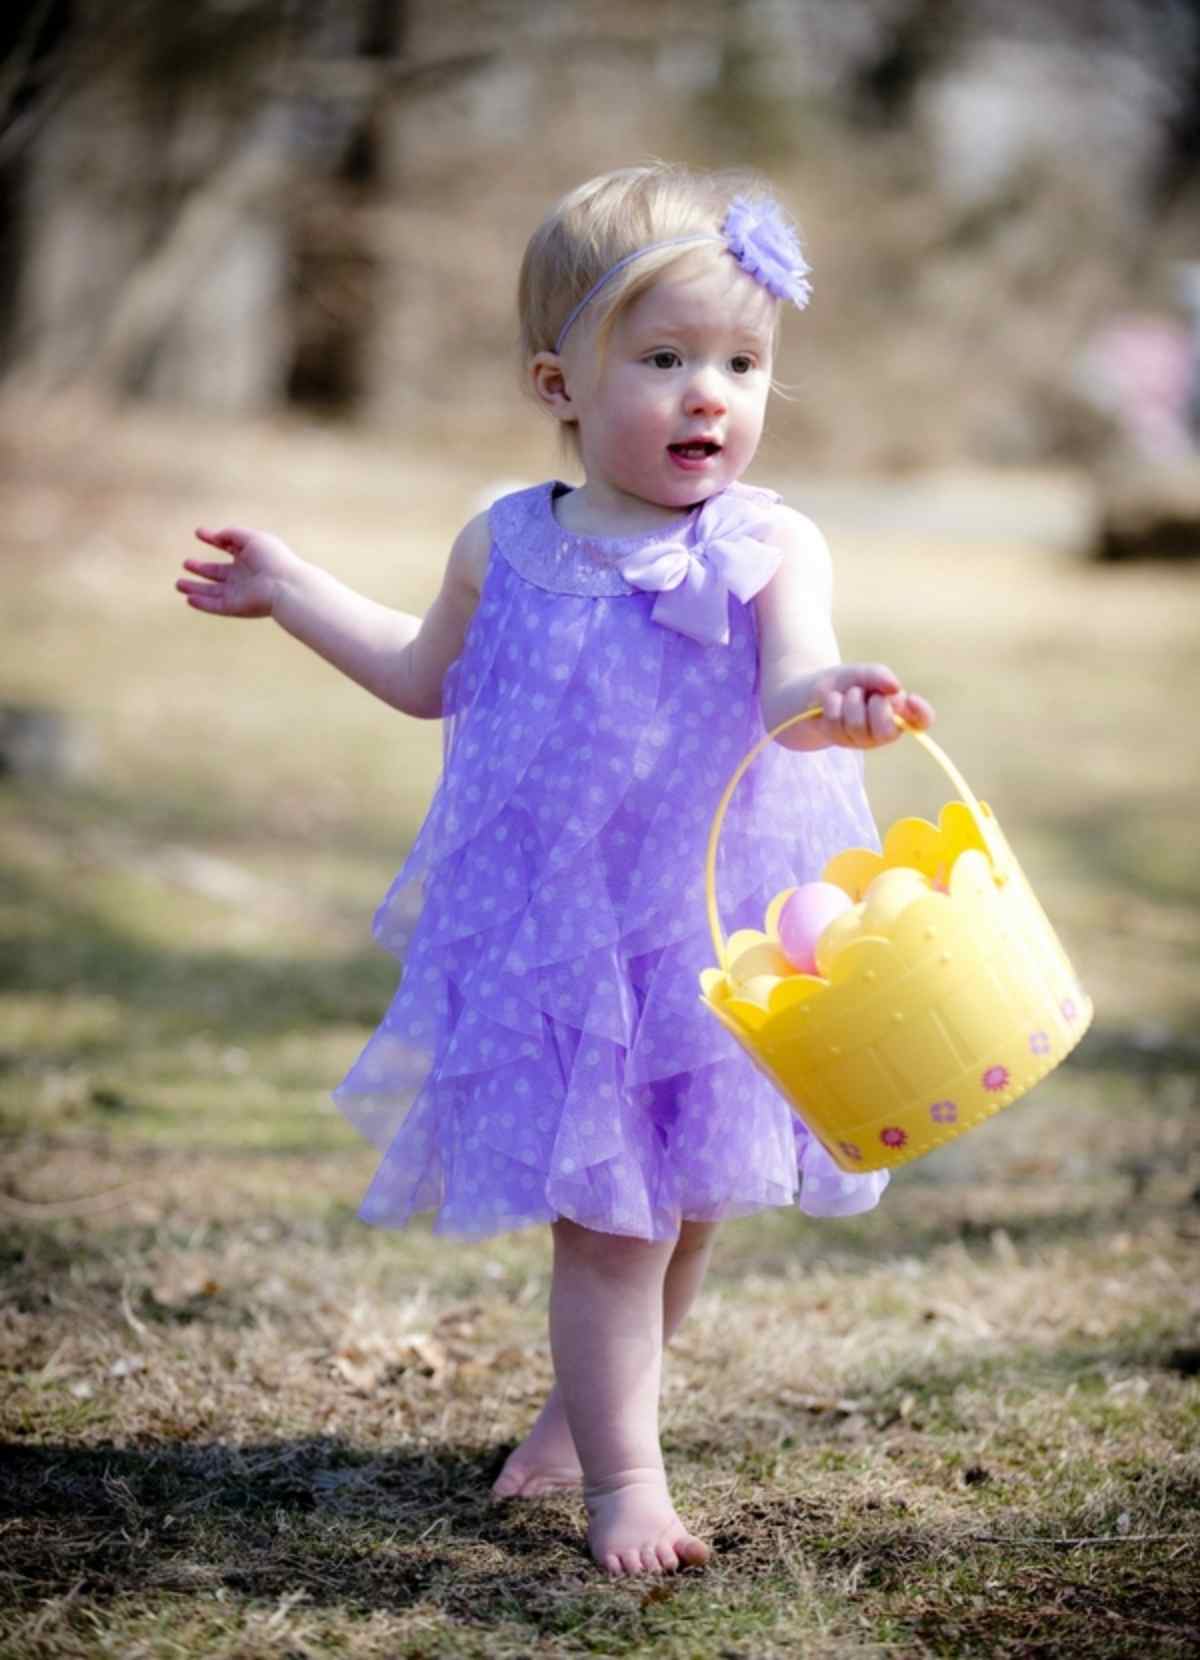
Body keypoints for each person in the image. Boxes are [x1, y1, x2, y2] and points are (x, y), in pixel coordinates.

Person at [176, 162, 934, 1578]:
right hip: (571, 944)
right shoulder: (509, 540)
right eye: (664, 359)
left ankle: (579, 1424)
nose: (712, 393)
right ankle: (625, 1485)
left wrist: (845, 701)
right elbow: (422, 675)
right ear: (559, 382)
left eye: (742, 361)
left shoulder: (770, 541)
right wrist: (291, 594)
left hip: (713, 932)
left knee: (687, 1207)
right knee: (611, 1227)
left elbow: (792, 684)